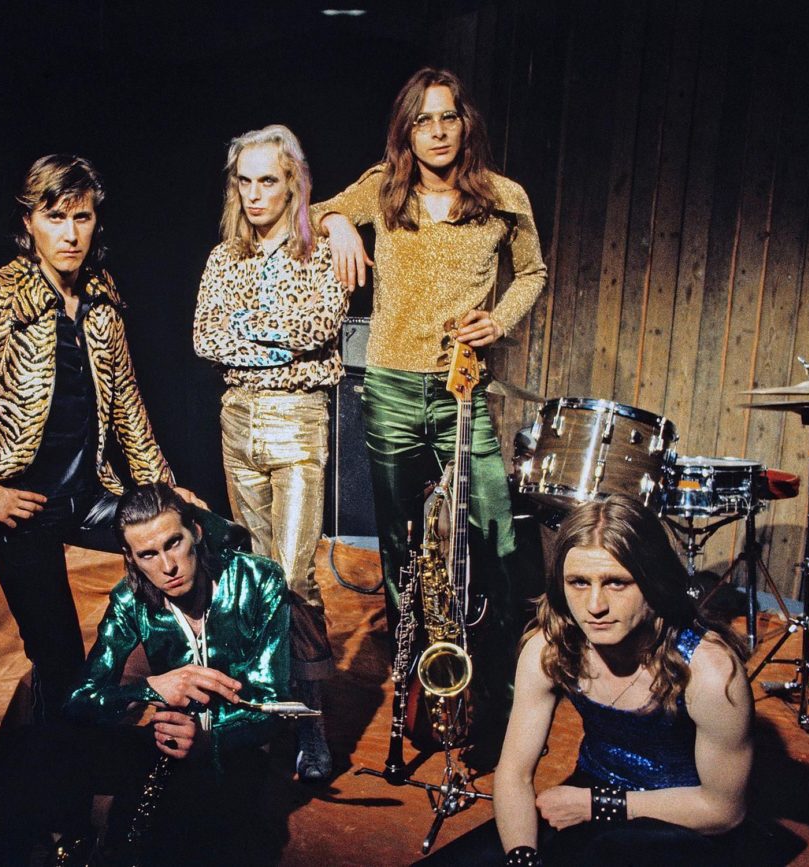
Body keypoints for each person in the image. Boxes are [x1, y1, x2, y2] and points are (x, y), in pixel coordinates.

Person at [0, 155, 197, 721]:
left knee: (208, 538)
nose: (70, 234)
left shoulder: (101, 295)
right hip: (22, 511)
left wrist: (163, 494)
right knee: (60, 663)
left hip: (94, 495)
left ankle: (192, 712)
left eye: (82, 217)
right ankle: (63, 757)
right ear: (28, 222)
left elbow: (128, 405)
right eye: (55, 217)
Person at [311, 66, 548, 761]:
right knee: (401, 548)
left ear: (465, 124)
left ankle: (497, 696)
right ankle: (426, 692)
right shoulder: (382, 188)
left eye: (448, 117)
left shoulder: (503, 197)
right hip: (389, 387)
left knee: (494, 538)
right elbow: (315, 210)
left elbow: (533, 273)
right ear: (406, 130)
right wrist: (338, 225)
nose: (437, 131)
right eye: (423, 120)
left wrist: (500, 320)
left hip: (460, 390)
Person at [425, 495, 753, 866]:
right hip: (590, 794)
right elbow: (514, 775)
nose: (595, 606)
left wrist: (598, 804)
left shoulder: (711, 673)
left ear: (655, 583)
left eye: (617, 583)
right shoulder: (549, 649)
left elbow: (724, 811)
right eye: (579, 582)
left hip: (684, 821)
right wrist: (522, 858)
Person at [0, 483, 290, 864]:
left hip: (233, 752)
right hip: (167, 747)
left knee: (177, 840)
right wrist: (150, 689)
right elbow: (80, 700)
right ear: (130, 557)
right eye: (148, 554)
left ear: (195, 532)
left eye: (173, 543)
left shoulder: (258, 580)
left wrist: (209, 737)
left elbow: (273, 706)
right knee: (27, 750)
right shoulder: (131, 599)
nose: (168, 566)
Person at [192, 124, 348, 782]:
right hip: (237, 418)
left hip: (297, 417)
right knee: (254, 576)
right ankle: (261, 710)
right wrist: (277, 338)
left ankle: (309, 722)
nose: (255, 194)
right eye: (245, 181)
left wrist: (247, 329)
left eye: (268, 181)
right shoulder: (222, 257)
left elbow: (320, 325)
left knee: (293, 577)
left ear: (292, 184)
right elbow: (204, 338)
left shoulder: (322, 251)